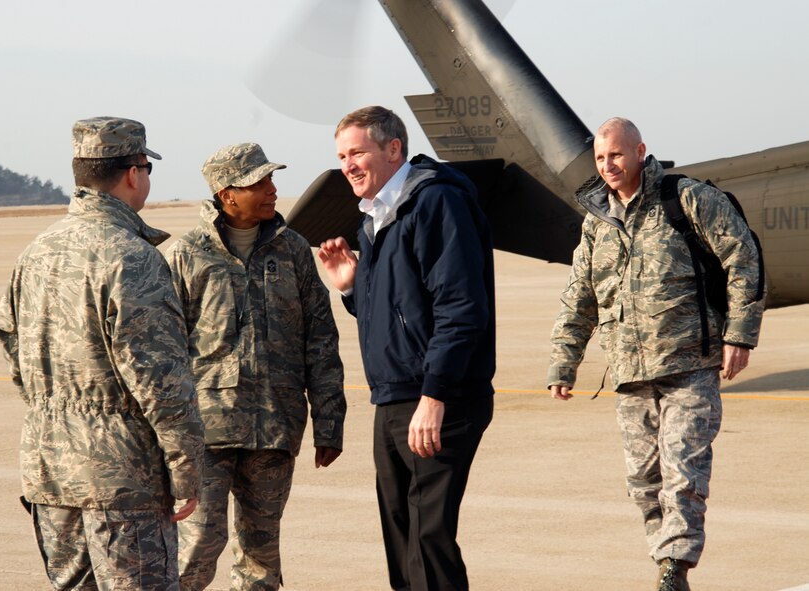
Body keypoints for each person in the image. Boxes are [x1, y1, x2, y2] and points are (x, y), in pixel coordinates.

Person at [547, 117, 765, 591]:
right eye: (601, 158)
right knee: (644, 482)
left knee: (682, 470)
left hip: (690, 366)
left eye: (617, 155)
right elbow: (579, 297)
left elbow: (743, 259)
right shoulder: (596, 223)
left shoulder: (685, 199)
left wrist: (740, 335)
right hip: (629, 374)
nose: (608, 166)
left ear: (640, 150)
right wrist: (564, 363)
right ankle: (666, 565)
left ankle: (676, 566)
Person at [0, 116, 205, 590]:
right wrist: (187, 470)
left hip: (50, 470)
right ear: (133, 173)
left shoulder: (37, 251)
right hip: (123, 480)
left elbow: (12, 344)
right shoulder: (132, 257)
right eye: (147, 168)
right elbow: (162, 382)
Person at [318, 106, 495, 591]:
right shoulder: (377, 216)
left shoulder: (435, 203)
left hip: (438, 398)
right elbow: (404, 314)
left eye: (357, 152)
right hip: (394, 398)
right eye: (341, 156)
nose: (347, 165)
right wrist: (353, 289)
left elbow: (462, 309)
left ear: (394, 148)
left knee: (429, 539)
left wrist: (435, 396)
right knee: (402, 537)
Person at [166, 142, 347, 591]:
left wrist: (330, 422)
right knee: (196, 548)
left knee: (261, 555)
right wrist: (165, 434)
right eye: (259, 183)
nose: (272, 190)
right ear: (228, 194)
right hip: (204, 432)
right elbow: (163, 350)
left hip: (274, 427)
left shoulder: (294, 252)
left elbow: (320, 339)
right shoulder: (186, 255)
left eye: (271, 180)